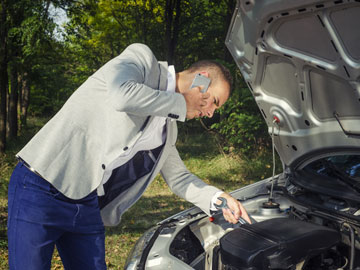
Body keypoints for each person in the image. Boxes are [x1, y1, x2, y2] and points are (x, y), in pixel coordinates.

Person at [7, 43, 251, 269]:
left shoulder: (169, 129)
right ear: (202, 80)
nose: (210, 113)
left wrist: (218, 198)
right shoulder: (142, 59)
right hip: (40, 186)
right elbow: (121, 95)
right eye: (214, 102)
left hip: (86, 201)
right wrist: (179, 102)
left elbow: (179, 178)